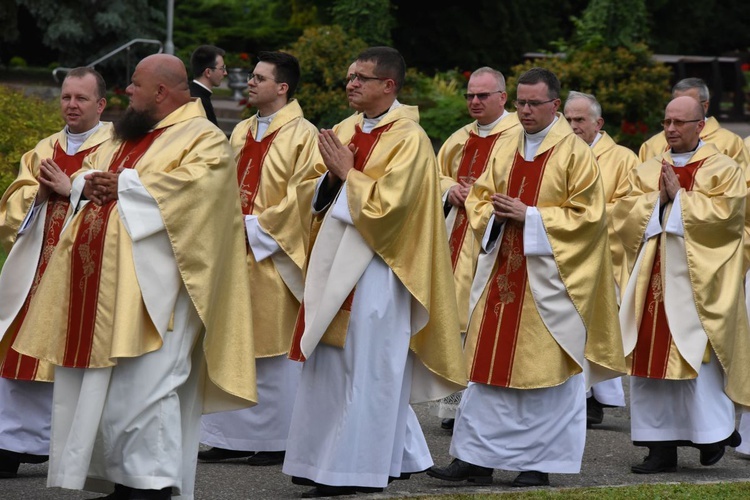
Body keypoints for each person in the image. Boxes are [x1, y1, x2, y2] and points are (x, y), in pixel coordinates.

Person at [11, 54, 257, 499]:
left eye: (136, 85)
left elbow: (194, 194)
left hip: (161, 294)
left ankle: (153, 484)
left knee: (150, 390)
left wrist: (117, 186)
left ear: (161, 92)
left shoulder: (203, 137)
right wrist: (89, 184)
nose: (128, 91)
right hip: (107, 289)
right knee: (111, 395)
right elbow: (92, 178)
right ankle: (125, 481)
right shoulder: (128, 136)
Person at [281, 46, 466, 498]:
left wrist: (348, 175)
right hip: (332, 267)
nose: (351, 84)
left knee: (369, 371)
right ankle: (323, 460)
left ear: (390, 85)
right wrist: (329, 179)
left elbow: (396, 208)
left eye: (362, 77)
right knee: (330, 368)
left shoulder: (410, 138)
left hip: (379, 271)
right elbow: (309, 187)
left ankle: (351, 471)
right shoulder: (343, 129)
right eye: (349, 76)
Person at [427, 67, 625, 488]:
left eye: (535, 103)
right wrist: (495, 215)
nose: (526, 110)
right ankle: (475, 459)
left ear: (555, 105)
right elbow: (480, 198)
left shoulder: (575, 154)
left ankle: (537, 463)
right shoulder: (505, 147)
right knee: (485, 371)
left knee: (544, 376)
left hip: (549, 287)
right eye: (521, 103)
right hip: (502, 276)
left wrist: (531, 216)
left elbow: (591, 220)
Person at [613, 96, 748, 474]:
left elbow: (729, 219)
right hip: (650, 285)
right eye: (666, 121)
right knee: (649, 366)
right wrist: (656, 201)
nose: (670, 129)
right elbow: (623, 213)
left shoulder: (724, 169)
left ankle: (711, 435)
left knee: (696, 363)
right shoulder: (648, 168)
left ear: (700, 125)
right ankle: (659, 448)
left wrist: (681, 200)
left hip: (696, 288)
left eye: (679, 122)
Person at [198, 51, 319, 466]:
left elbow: (305, 197)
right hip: (236, 252)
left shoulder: (303, 135)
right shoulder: (242, 130)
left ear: (282, 87)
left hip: (273, 256)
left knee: (273, 352)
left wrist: (255, 227)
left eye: (259, 77)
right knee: (235, 344)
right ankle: (229, 436)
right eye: (251, 76)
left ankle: (276, 440)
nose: (249, 82)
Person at [0, 67, 112, 479]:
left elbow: (120, 200)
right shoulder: (44, 147)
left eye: (81, 98)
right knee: (19, 352)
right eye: (66, 97)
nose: (71, 105)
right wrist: (39, 194)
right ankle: (11, 443)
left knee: (72, 354)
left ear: (100, 104)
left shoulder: (115, 146)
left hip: (85, 270)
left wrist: (73, 188)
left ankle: (61, 447)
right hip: (36, 267)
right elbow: (13, 204)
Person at [434, 67, 520, 430]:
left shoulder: (519, 137)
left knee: (481, 323)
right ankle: (453, 408)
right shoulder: (458, 138)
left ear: (503, 97)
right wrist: (448, 190)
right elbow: (433, 174)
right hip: (455, 237)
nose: (474, 101)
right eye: (470, 95)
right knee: (453, 325)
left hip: (493, 242)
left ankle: (481, 407)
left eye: (483, 96)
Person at [563, 90, 638, 427]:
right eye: (567, 119)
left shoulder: (623, 158)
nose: (573, 126)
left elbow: (629, 208)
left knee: (596, 327)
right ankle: (574, 393)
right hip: (562, 251)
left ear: (598, 122)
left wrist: (582, 218)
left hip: (605, 256)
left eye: (579, 119)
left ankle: (596, 397)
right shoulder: (559, 154)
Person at [639, 78, 749, 168]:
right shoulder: (651, 146)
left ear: (705, 106)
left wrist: (680, 195)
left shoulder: (730, 143)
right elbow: (638, 187)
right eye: (677, 102)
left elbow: (741, 187)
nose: (681, 107)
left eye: (689, 103)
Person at [189, 44, 227, 126]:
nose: (225, 73)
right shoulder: (198, 101)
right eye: (222, 68)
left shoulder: (192, 93)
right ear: (208, 72)